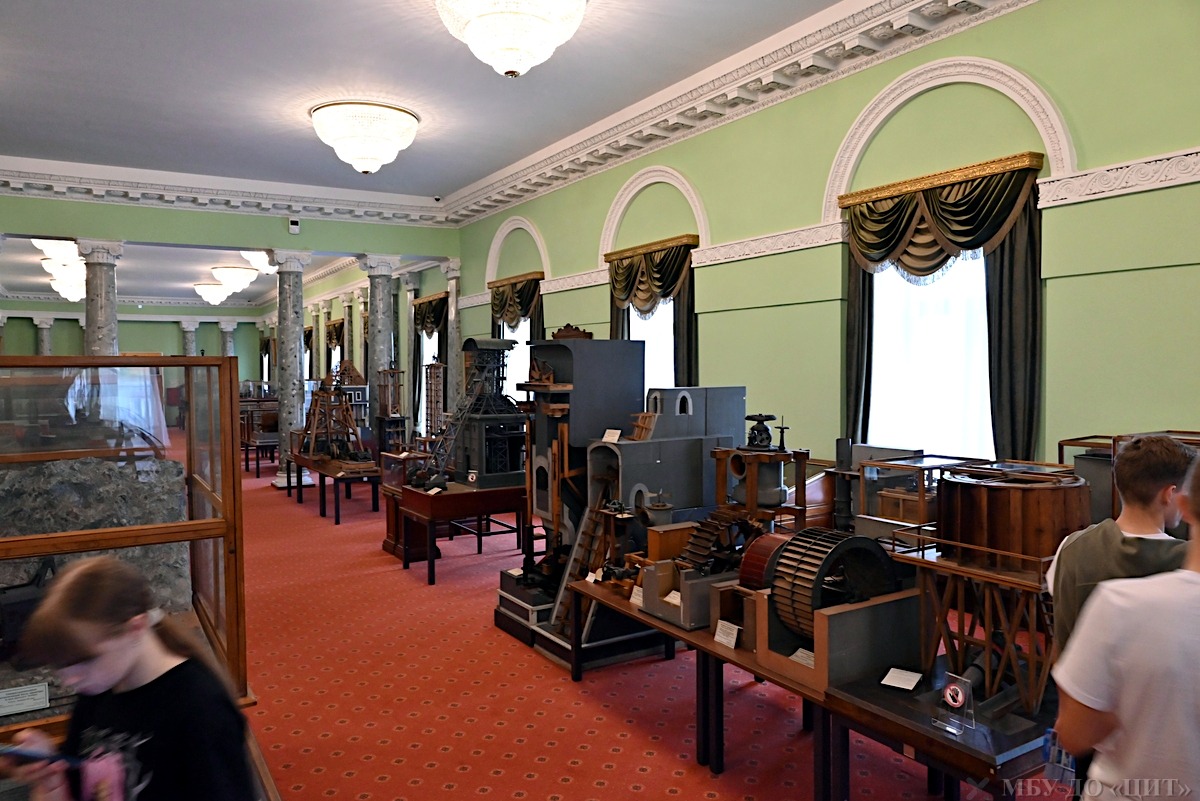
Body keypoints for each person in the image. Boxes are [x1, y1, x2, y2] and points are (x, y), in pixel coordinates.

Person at [2, 556, 255, 801]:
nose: (70, 679)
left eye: (85, 660)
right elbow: (81, 783)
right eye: (60, 665)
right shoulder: (98, 689)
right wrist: (50, 769)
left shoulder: (200, 708)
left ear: (135, 628)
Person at [1046, 434, 1194, 795]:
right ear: (1170, 494)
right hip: (1161, 734)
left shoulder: (1071, 547)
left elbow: (1057, 607)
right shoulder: (1187, 564)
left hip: (1080, 710)